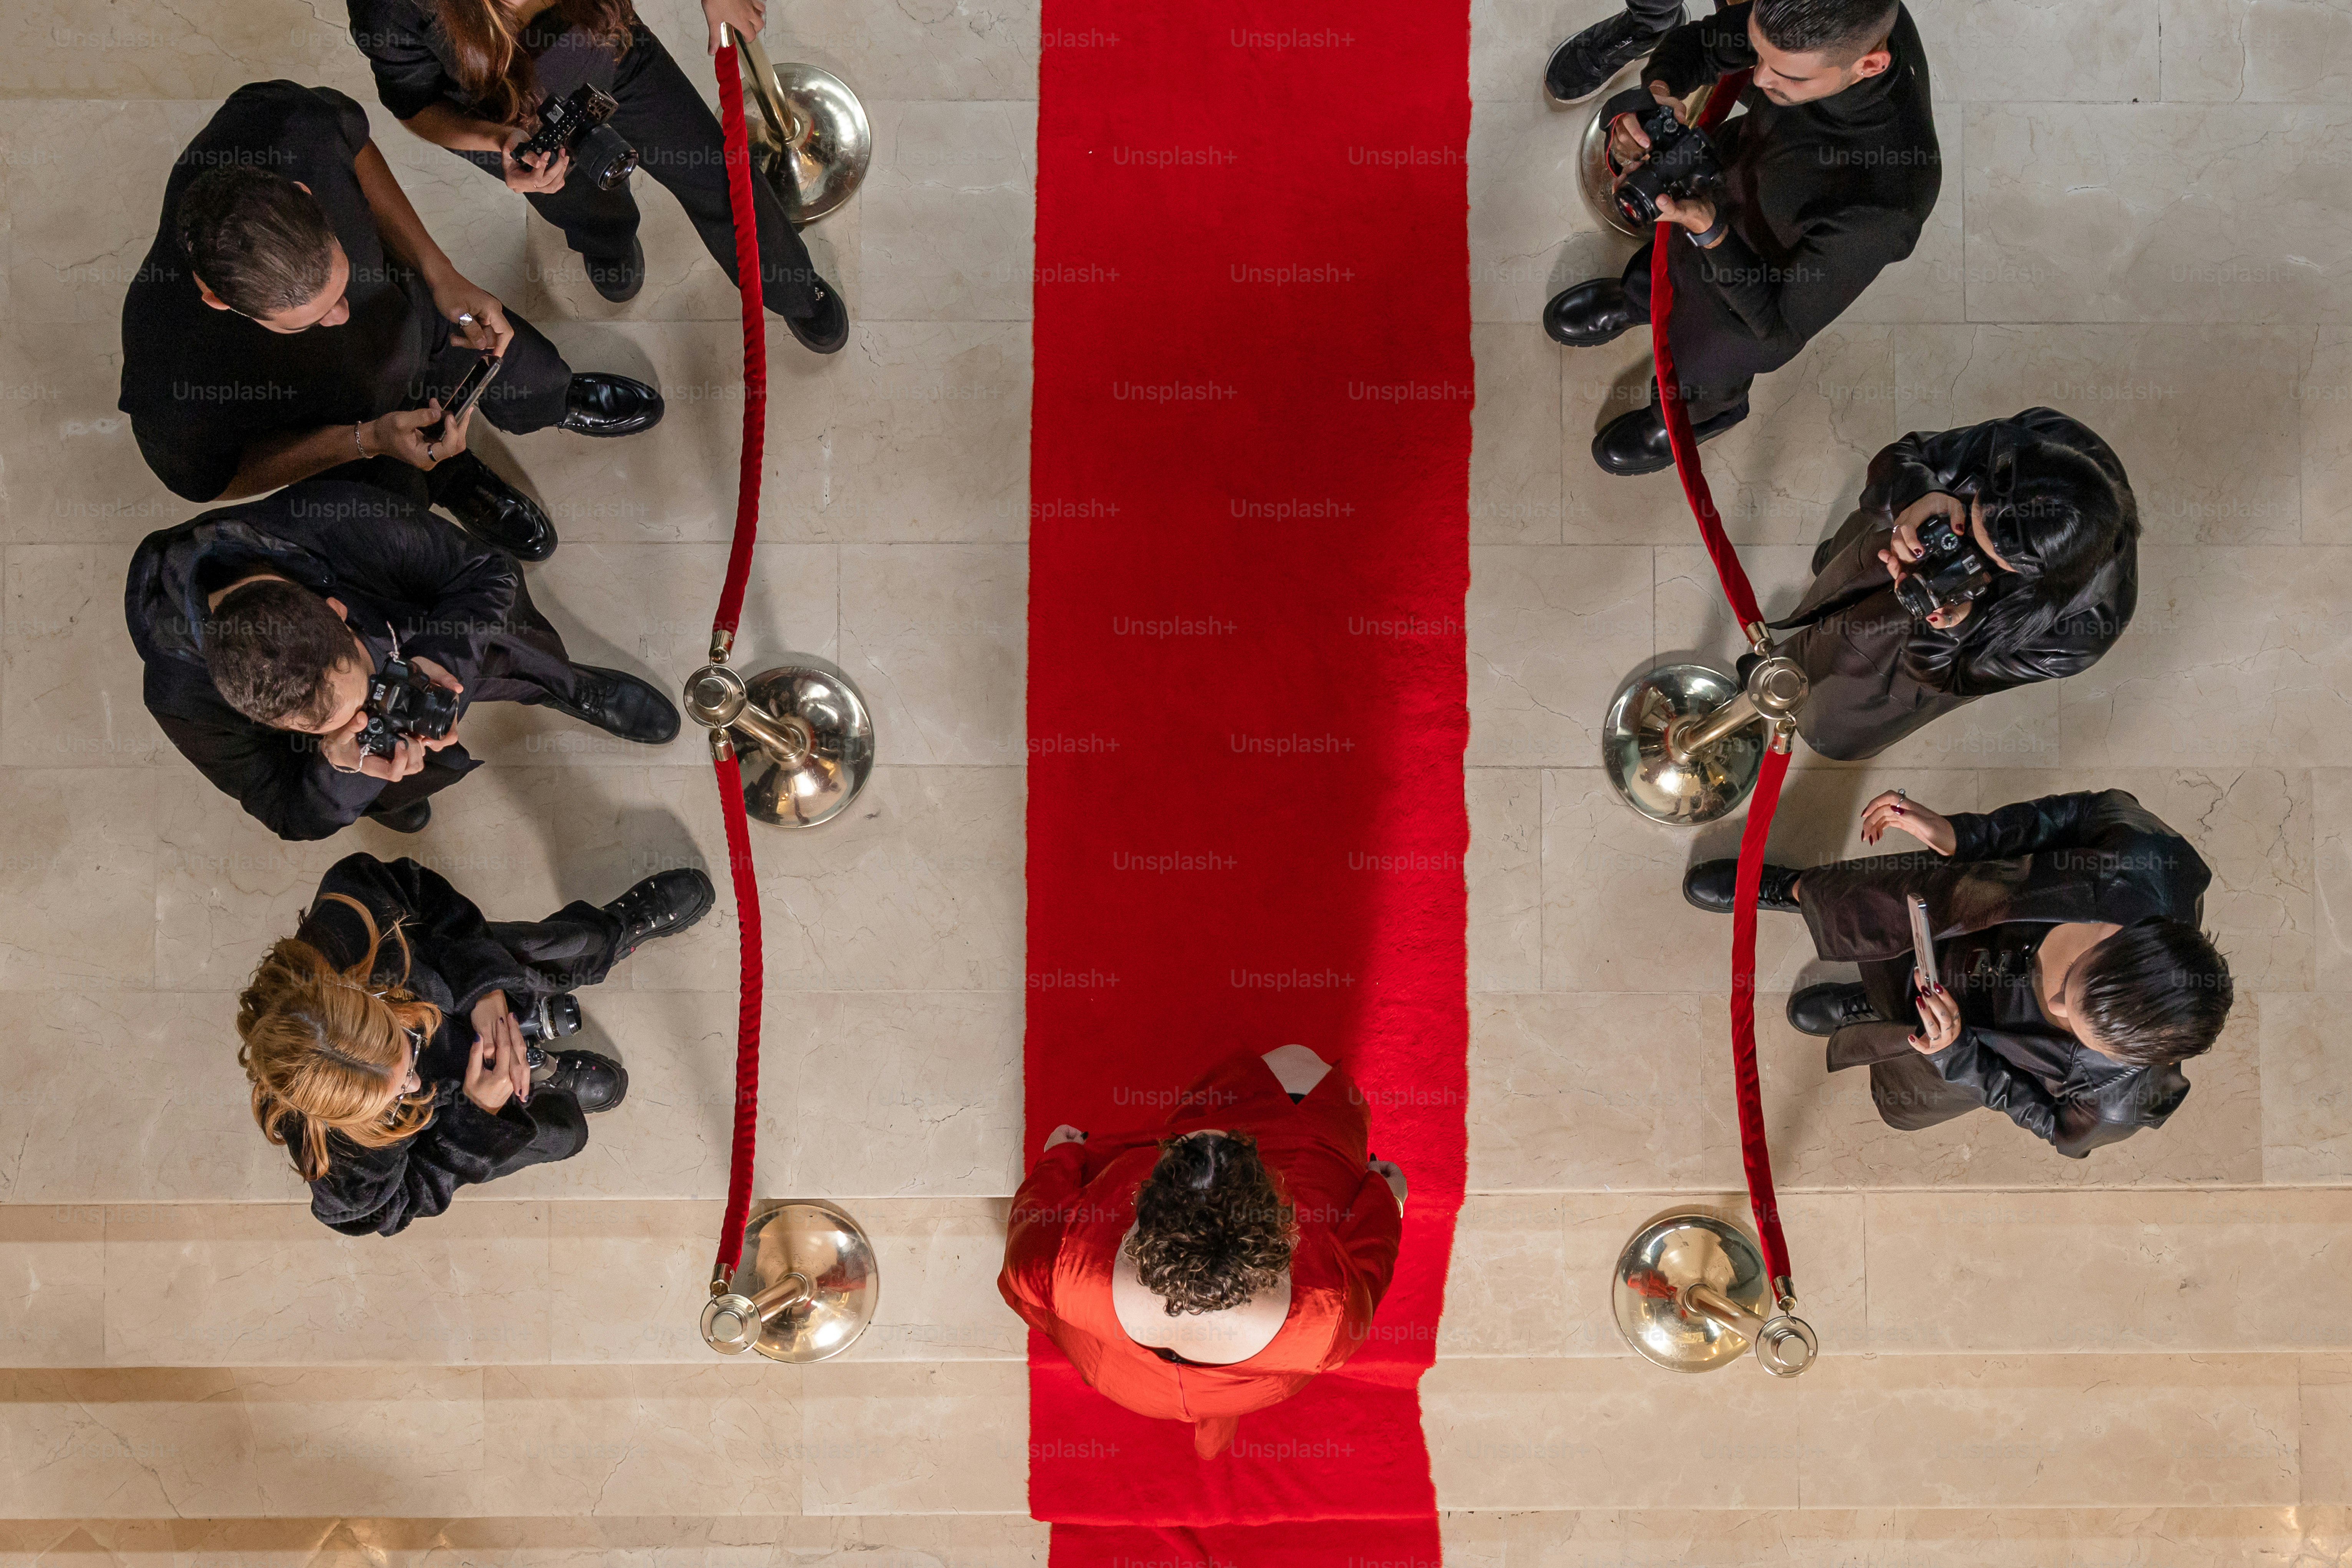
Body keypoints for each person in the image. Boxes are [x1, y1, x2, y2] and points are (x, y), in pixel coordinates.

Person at [119, 79, 666, 561]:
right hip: (349, 429)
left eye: (339, 284)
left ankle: (551, 401)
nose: (343, 316)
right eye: (304, 322)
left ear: (302, 191)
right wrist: (365, 440)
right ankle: (457, 482)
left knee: (531, 369)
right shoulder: (170, 370)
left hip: (423, 325)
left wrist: (439, 271)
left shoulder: (284, 124)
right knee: (407, 503)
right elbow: (214, 480)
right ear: (219, 301)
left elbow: (353, 146)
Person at [1683, 788, 2233, 1159]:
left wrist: (1955, 1052)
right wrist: (1959, 835)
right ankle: (1787, 888)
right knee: (1863, 905)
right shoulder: (2142, 864)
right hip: (1968, 911)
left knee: (1904, 1032)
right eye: (2069, 987)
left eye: (2072, 1028)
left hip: (1968, 1027)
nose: (2056, 1008)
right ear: (2120, 932)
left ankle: (1871, 1007)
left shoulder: (2120, 1097)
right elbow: (2076, 816)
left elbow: (2052, 1124)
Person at [125, 474, 679, 840]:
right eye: (337, 725)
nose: (382, 713)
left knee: (510, 646)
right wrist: (345, 767)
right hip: (358, 767)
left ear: (338, 611)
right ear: (252, 715)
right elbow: (286, 810)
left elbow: (489, 572)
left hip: (424, 620)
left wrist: (443, 662)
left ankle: (565, 685)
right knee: (385, 791)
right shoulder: (179, 695)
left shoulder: (334, 517)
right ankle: (392, 799)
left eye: (369, 694)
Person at [1545, 0, 1940, 476]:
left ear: (1870, 64)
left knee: (1700, 371)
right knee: (1662, 265)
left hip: (1745, 308)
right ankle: (1636, 299)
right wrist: (1659, 90)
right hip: (1732, 180)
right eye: (1759, 54)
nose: (1759, 82)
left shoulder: (1887, 200)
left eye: (1789, 78)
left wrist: (1711, 232)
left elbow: (1777, 325)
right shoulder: (1813, 19)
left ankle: (1689, 419)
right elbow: (1705, 43)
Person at [239, 852, 714, 1235]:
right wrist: (477, 1117)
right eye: (400, 1091)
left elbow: (419, 891)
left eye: (403, 1048)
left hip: (459, 980)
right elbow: (393, 1206)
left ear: (364, 997)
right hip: (455, 1114)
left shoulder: (347, 931)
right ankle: (545, 1080)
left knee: (568, 946)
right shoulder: (334, 1157)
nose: (412, 1078)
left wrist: (484, 987)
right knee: (557, 1136)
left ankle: (617, 930)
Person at [343, 0, 847, 354]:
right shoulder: (388, 8)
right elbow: (414, 104)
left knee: (718, 176)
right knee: (574, 201)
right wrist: (497, 143)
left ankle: (795, 290)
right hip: (505, 118)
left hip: (614, 51)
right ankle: (606, 241)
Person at [999, 1044, 1406, 1459]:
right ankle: (1215, 1421)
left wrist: (1059, 1159)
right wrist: (1387, 1201)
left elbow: (1031, 1221)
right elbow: (1370, 1260)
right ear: (1282, 1228)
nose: (1210, 1133)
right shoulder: (1330, 1317)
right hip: (1250, 1387)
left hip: (1124, 1378)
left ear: (1139, 1212)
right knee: (1303, 1070)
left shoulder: (1060, 1263)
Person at [1769, 407, 2138, 759]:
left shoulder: (2080, 636)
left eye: (1986, 560)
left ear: (2032, 575)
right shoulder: (2045, 438)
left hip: (1896, 649)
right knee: (1841, 564)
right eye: (1966, 524)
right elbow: (1908, 453)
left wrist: (1953, 626)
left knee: (1837, 682)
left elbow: (1953, 679)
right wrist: (1918, 495)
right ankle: (1832, 570)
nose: (1959, 554)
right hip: (1884, 549)